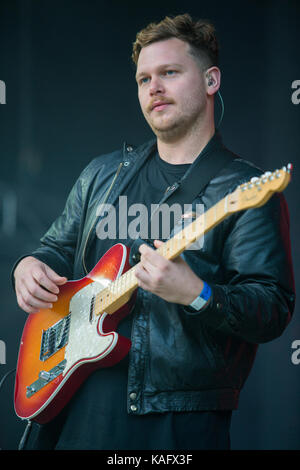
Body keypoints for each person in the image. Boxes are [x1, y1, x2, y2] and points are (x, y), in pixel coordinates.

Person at [12, 13, 295, 450]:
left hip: (176, 419)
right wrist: (29, 266)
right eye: (144, 79)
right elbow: (55, 247)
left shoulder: (242, 190)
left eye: (169, 73)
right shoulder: (102, 174)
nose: (154, 88)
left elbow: (271, 308)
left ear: (210, 80)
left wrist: (197, 293)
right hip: (72, 402)